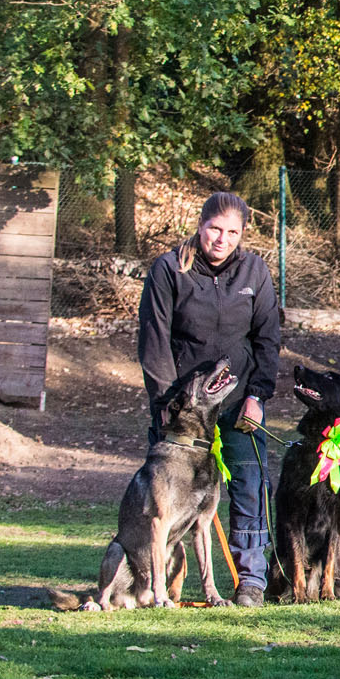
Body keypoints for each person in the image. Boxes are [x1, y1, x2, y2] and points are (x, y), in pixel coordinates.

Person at [137, 191, 282, 606]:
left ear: (242, 233)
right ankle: (157, 579)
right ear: (201, 225)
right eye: (215, 229)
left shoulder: (254, 272)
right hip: (183, 407)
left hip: (237, 400)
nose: (222, 239)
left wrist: (258, 395)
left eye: (232, 232)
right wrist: (166, 402)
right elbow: (154, 339)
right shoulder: (169, 269)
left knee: (251, 484)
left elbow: (267, 338)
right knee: (167, 497)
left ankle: (251, 579)